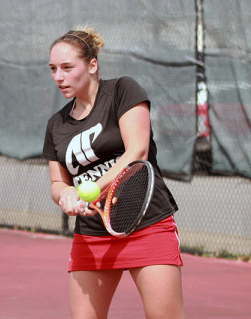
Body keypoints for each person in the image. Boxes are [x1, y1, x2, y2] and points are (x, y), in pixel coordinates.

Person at [42, 27, 185, 319]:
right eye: (53, 69)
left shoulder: (123, 91)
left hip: (146, 226)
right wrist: (66, 195)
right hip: (92, 236)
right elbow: (58, 182)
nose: (59, 77)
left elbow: (137, 153)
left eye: (68, 68)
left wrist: (89, 188)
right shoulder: (56, 125)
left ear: (92, 64)